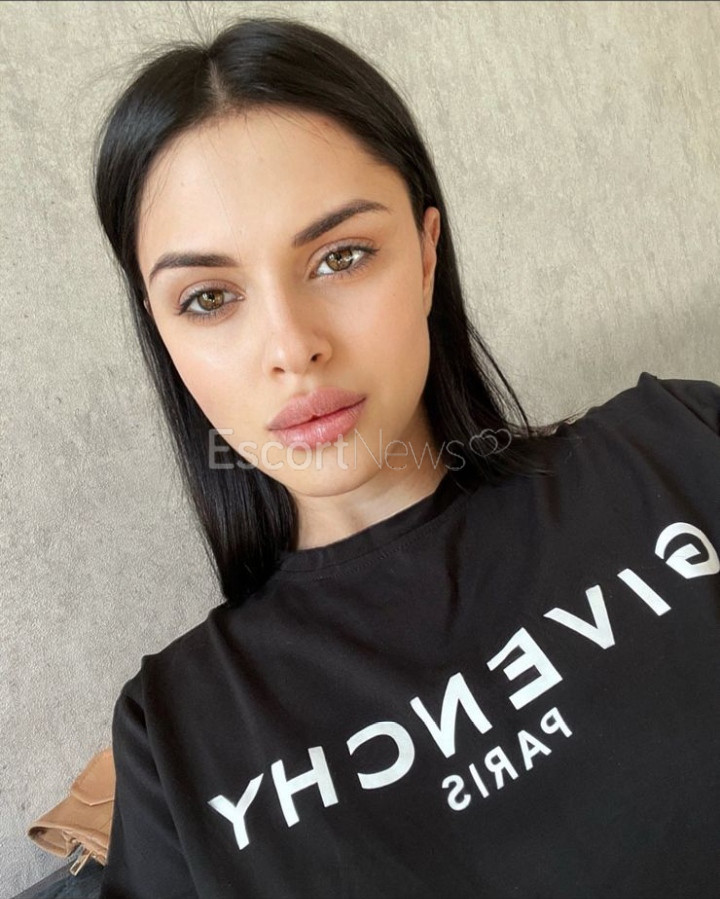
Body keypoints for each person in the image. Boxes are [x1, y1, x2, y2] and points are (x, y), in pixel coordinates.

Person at [93, 16, 720, 899]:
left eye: (341, 256)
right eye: (208, 298)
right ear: (164, 336)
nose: (292, 346)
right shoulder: (174, 736)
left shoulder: (678, 444)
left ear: (427, 255)